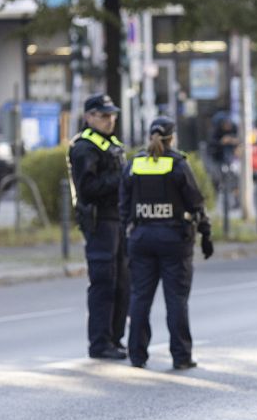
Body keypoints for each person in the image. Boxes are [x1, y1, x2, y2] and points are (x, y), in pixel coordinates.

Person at [120, 117, 213, 370]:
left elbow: (123, 205)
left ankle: (137, 355)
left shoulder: (135, 163)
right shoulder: (178, 164)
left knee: (140, 299)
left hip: (141, 238)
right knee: (176, 300)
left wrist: (126, 235)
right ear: (172, 138)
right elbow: (195, 202)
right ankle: (181, 356)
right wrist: (206, 234)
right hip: (174, 239)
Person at [68, 94, 129, 360]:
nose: (110, 119)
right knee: (104, 282)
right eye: (104, 115)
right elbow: (88, 189)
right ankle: (100, 343)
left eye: (112, 114)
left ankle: (115, 338)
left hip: (117, 219)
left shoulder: (108, 143)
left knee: (122, 283)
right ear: (89, 116)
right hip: (99, 221)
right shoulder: (84, 148)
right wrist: (121, 178)